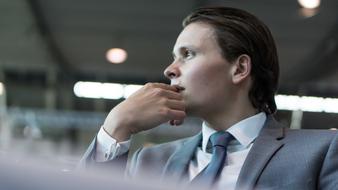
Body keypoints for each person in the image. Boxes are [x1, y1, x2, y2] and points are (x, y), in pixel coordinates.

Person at [80, 7, 338, 189]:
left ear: (239, 69)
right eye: (174, 57)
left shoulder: (322, 152)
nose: (170, 70)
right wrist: (116, 126)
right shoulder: (149, 162)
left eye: (188, 54)